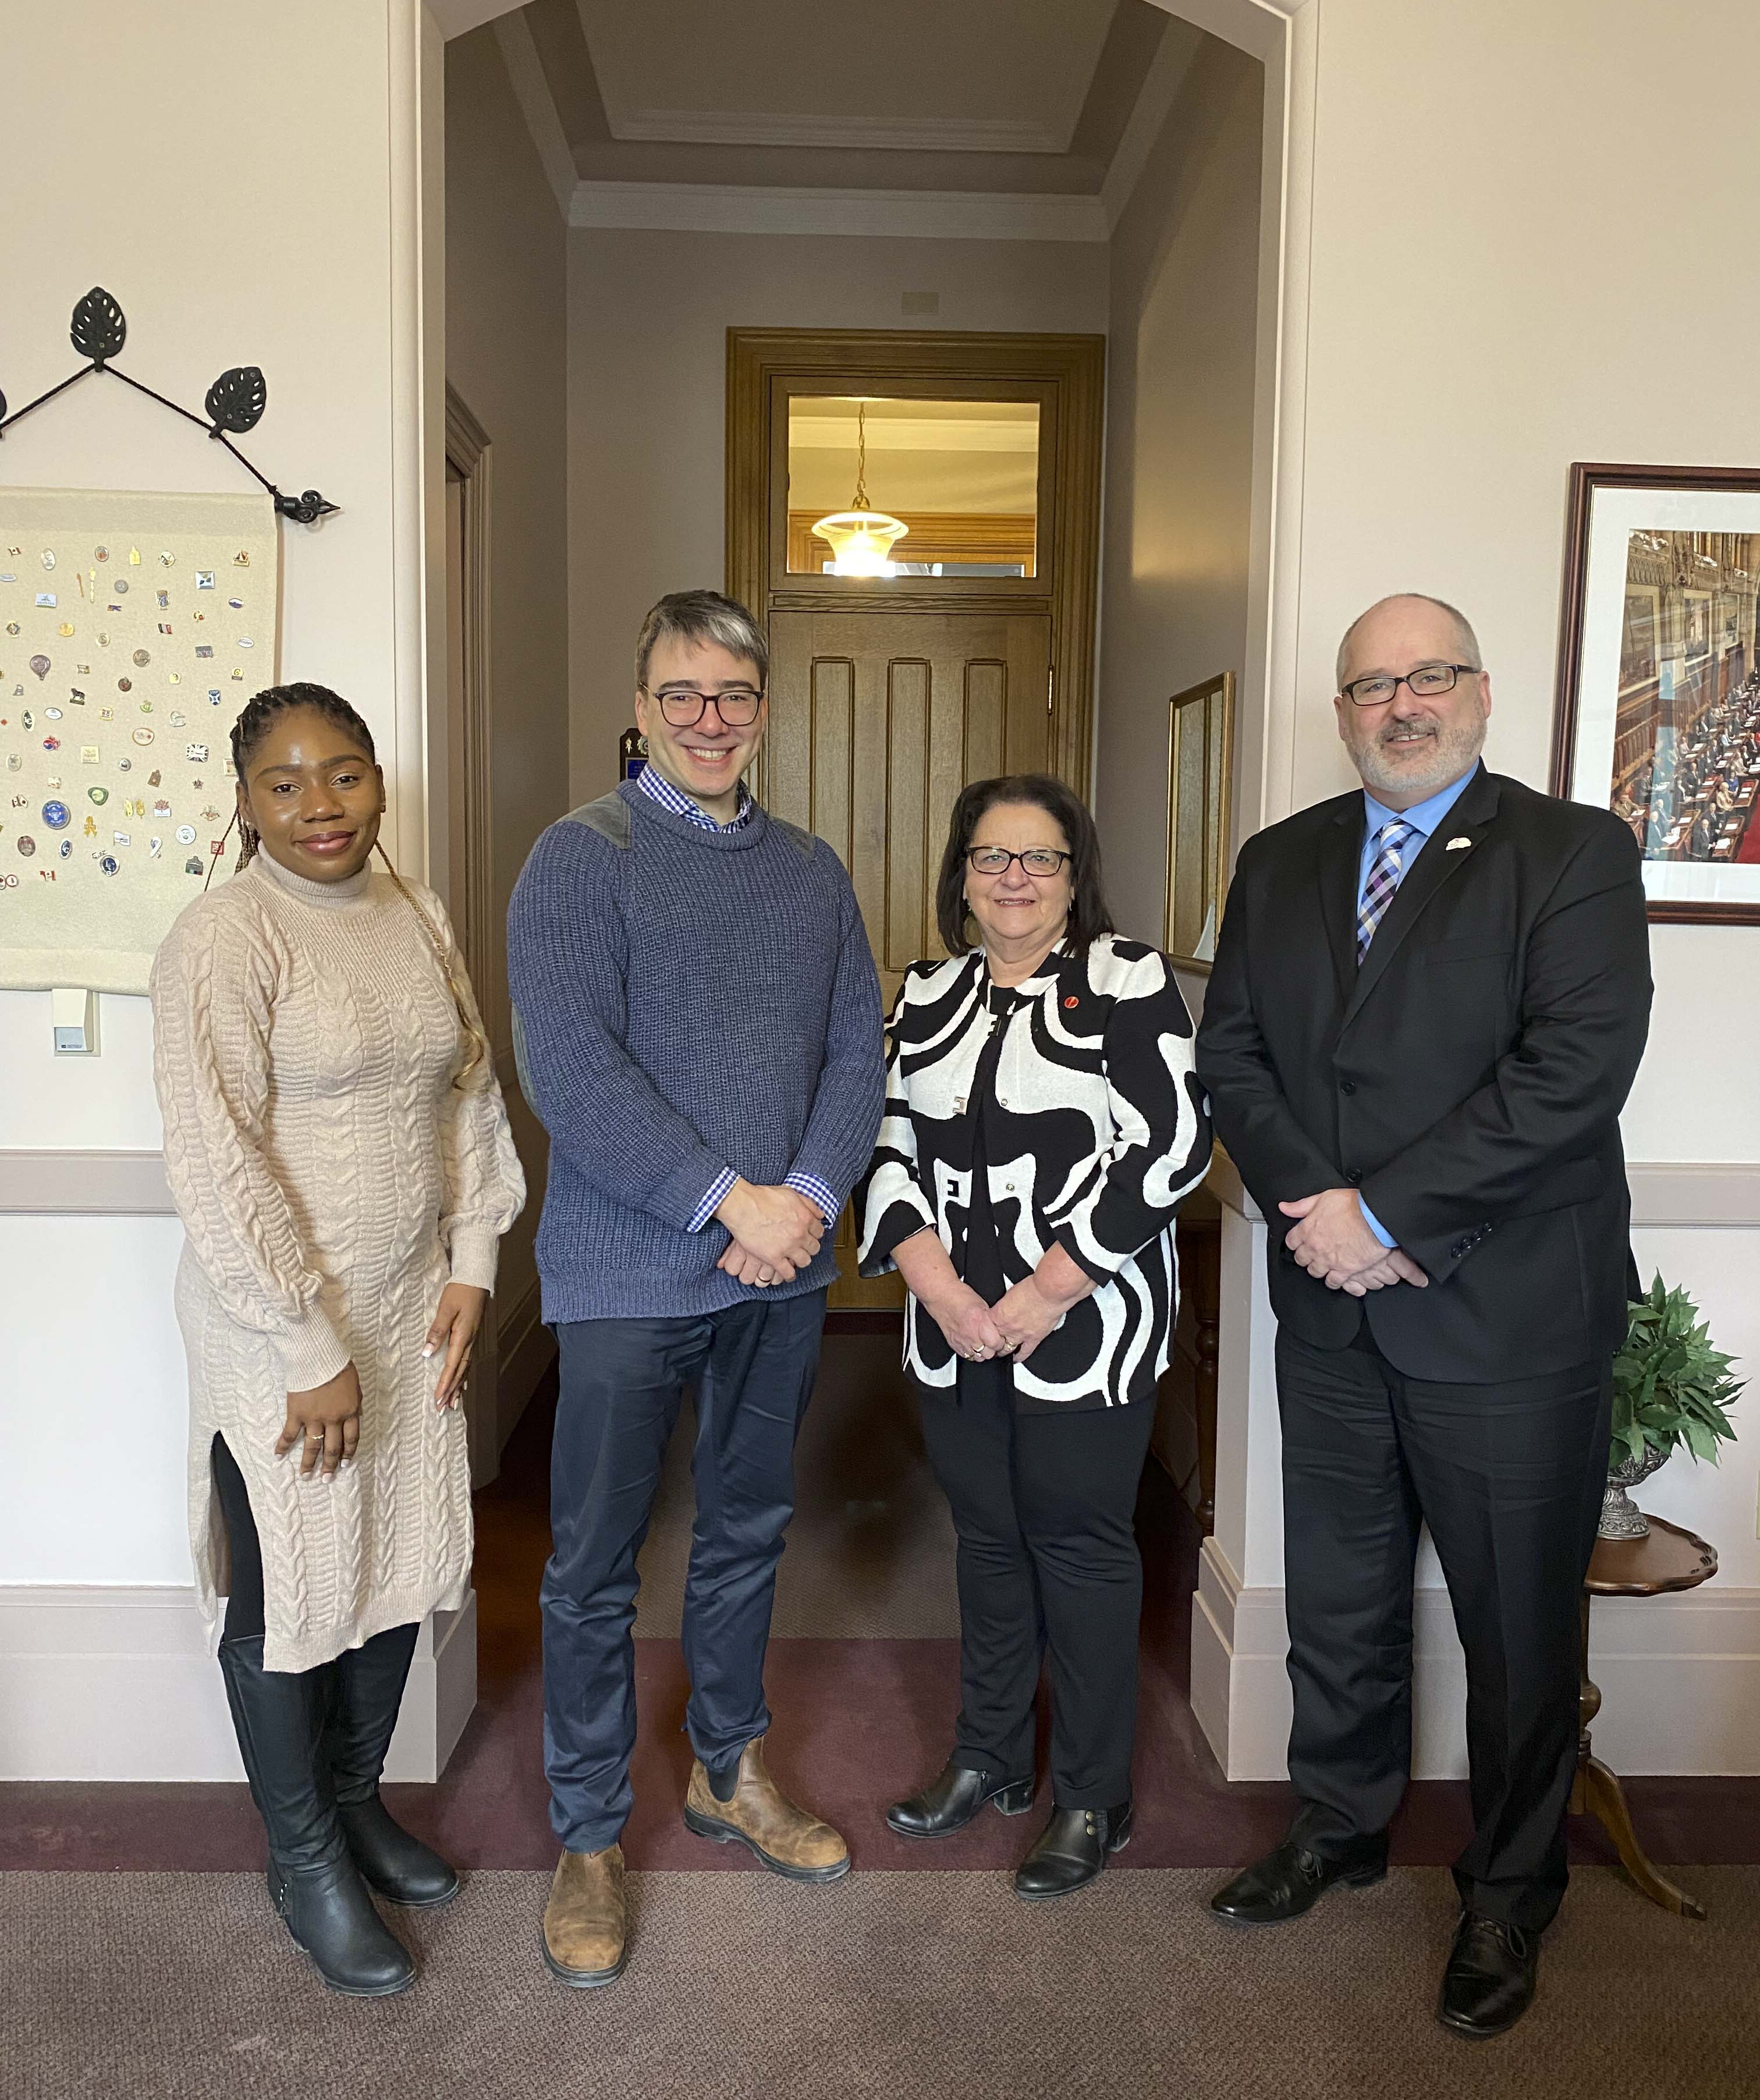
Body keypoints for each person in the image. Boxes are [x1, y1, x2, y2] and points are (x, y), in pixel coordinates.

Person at [1195, 594, 1652, 2039]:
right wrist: (1322, 1216)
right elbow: (1234, 1056)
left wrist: (1382, 1219)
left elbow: (1574, 1072)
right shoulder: (1279, 860)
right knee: (1339, 1599)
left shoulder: (1572, 852)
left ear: (1481, 690)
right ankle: (1338, 1827)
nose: (1401, 704)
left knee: (1519, 1629)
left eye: (1429, 676)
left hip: (1507, 1321)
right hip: (1332, 1314)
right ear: (1342, 711)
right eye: (1371, 685)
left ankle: (1510, 1893)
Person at [506, 588, 885, 1989]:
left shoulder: (812, 872)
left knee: (747, 1531)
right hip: (625, 1275)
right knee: (593, 1565)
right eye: (682, 694)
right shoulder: (578, 858)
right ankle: (589, 1832)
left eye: (733, 695)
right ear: (644, 707)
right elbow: (570, 1071)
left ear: (764, 711)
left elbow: (858, 1051)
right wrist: (732, 1201)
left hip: (778, 1275)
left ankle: (730, 1770)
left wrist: (810, 1204)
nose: (708, 719)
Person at [149, 683, 526, 1998]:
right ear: (245, 802)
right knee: (291, 1585)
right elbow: (216, 1154)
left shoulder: (416, 912)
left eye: (346, 774)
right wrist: (307, 1343)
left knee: (395, 1563)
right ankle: (303, 1856)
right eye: (286, 783)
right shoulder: (224, 937)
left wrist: (474, 1264)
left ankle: (358, 1804)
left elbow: (468, 1090)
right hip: (280, 1333)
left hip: (411, 1310)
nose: (322, 805)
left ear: (376, 779)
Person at [856, 775, 1211, 1899]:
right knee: (988, 1540)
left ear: (1074, 876)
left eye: (1041, 858)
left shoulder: (1126, 980)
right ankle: (992, 1754)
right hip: (952, 1327)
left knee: (1080, 1547)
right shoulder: (925, 994)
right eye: (991, 857)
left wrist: (1045, 1295)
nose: (1015, 878)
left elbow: (1171, 1148)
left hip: (1088, 1326)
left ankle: (1095, 1794)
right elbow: (884, 1146)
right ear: (961, 877)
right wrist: (943, 1293)